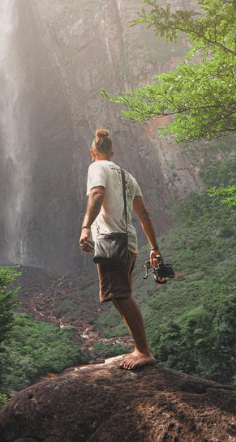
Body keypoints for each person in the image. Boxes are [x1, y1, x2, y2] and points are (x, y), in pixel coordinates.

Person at [79, 128, 161, 370]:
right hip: (130, 243)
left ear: (92, 152)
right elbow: (143, 213)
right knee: (119, 294)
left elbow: (96, 195)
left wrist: (85, 227)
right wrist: (154, 247)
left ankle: (144, 351)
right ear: (112, 152)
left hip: (111, 239)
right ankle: (138, 347)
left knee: (121, 295)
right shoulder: (128, 176)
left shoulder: (96, 167)